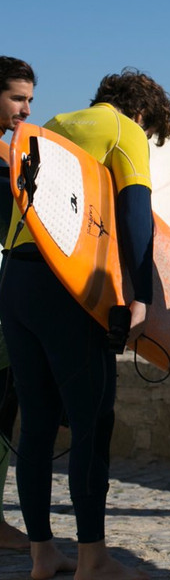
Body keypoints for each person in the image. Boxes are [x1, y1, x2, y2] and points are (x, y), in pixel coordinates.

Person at [0, 67, 170, 580]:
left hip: (16, 281)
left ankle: (41, 554)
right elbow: (136, 215)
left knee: (35, 423)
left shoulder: (53, 125)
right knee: (92, 421)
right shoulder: (125, 131)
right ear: (141, 114)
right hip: (63, 289)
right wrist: (141, 296)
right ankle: (94, 559)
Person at [0, 56, 35, 552]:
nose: (25, 109)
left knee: (5, 408)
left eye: (29, 99)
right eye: (15, 98)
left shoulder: (11, 154)